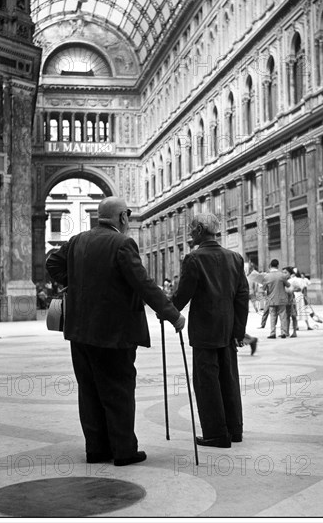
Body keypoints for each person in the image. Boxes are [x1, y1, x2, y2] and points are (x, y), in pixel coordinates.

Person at [46, 196, 185, 466]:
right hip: (113, 333)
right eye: (129, 216)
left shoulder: (77, 241)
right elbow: (144, 285)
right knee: (118, 391)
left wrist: (74, 284)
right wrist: (173, 315)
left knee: (89, 391)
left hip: (79, 332)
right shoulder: (122, 243)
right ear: (122, 217)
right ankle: (123, 451)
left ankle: (96, 450)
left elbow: (53, 263)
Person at [171, 213, 249, 448]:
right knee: (229, 379)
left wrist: (168, 311)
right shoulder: (234, 258)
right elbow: (242, 296)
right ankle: (235, 430)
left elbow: (183, 294)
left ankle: (216, 433)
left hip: (205, 331)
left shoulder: (194, 259)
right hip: (227, 331)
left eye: (191, 230)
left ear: (199, 231)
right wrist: (238, 330)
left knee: (207, 383)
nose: (189, 234)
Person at [253, 259, 290, 339]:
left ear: (270, 265)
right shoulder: (282, 275)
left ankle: (272, 333)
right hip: (281, 300)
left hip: (271, 300)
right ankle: (284, 333)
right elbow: (288, 285)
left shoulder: (267, 276)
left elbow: (263, 288)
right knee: (283, 317)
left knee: (273, 317)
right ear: (278, 265)